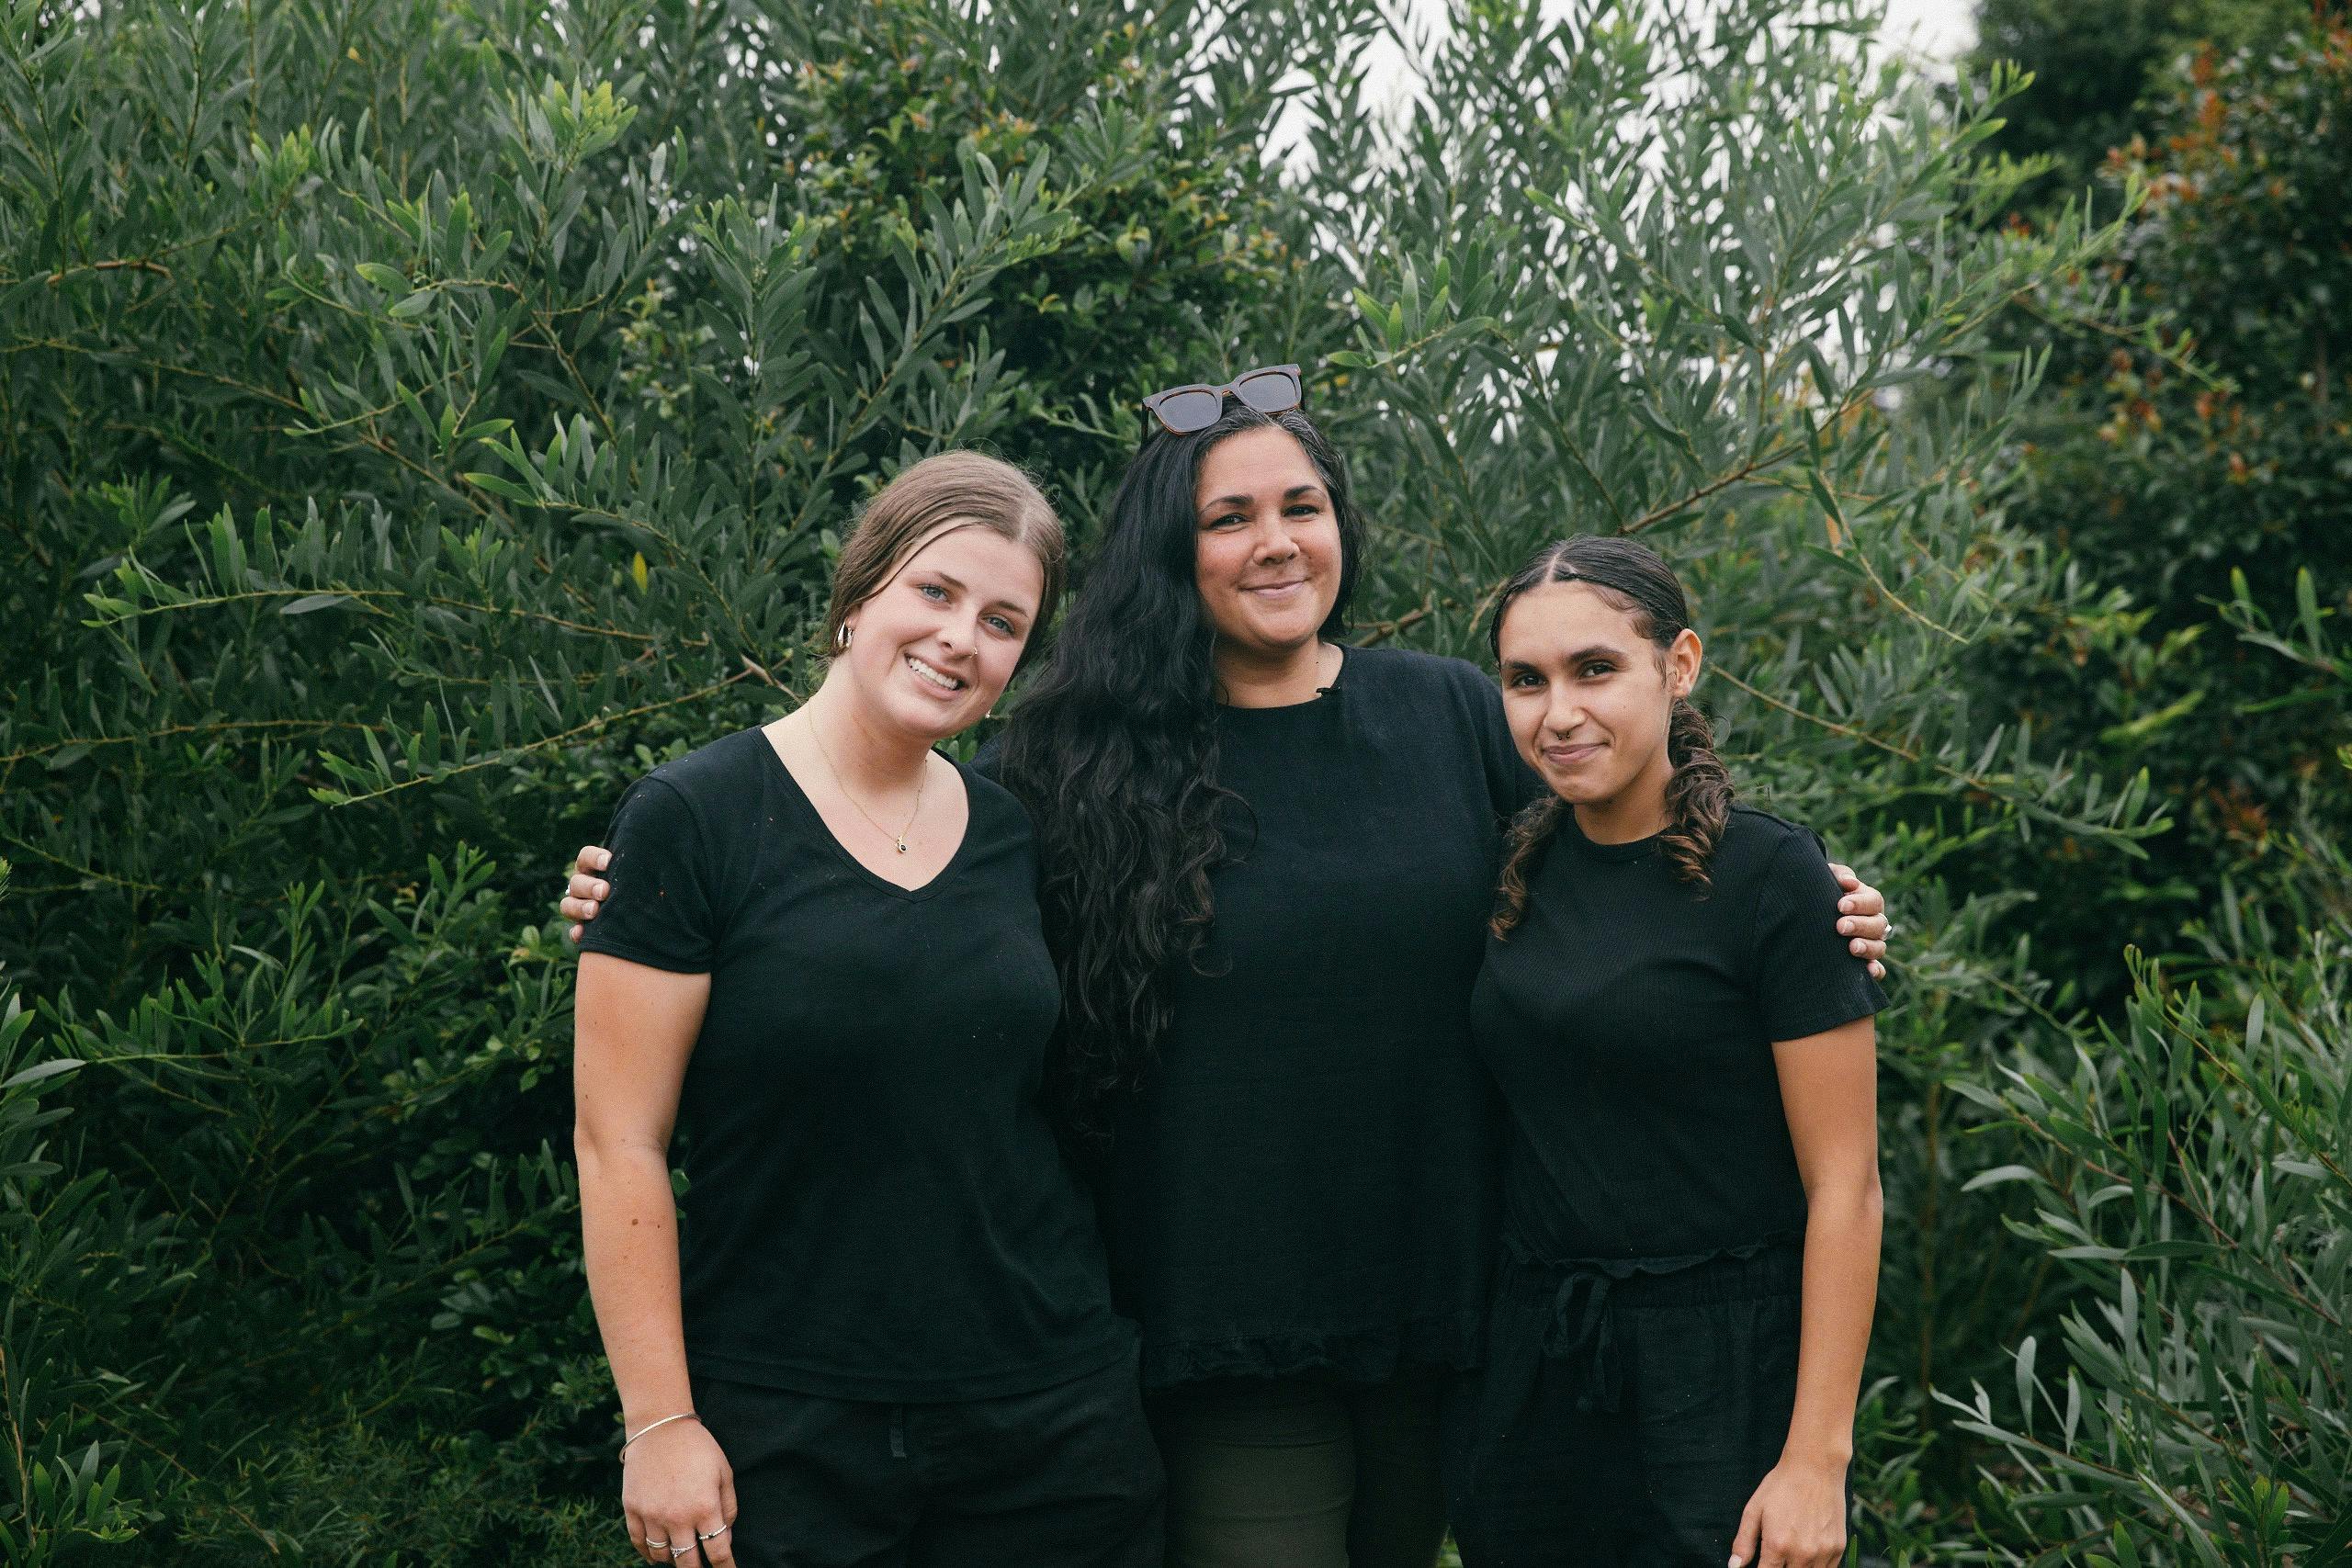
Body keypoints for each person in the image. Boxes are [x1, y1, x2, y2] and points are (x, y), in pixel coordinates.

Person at [565, 369, 1893, 1568]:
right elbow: (895, 883)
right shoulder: (1075, 759)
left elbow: (1608, 863)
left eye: (1301, 506)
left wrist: (1794, 899)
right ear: (1175, 550)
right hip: (1217, 1319)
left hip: (1451, 1306)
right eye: (1229, 517)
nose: (1276, 541)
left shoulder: (1447, 713)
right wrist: (653, 895)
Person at [570, 452, 1161, 1568]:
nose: (960, 638)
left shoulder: (1015, 832)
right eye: (935, 591)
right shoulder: (692, 819)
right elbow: (617, 1144)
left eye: (1002, 622)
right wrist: (658, 1423)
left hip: (1048, 1415)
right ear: (858, 595)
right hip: (791, 1426)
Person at [1443, 536, 1885, 1568]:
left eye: (1594, 669)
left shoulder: (1772, 876)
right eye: (1525, 680)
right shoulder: (1510, 868)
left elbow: (1848, 1186)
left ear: (1678, 665)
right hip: (1540, 1375)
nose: (1558, 712)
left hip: (1726, 1377)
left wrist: (1816, 1459)